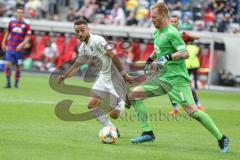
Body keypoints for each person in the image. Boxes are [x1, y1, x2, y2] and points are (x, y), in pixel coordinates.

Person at [127, 2, 229, 153]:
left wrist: (167, 57)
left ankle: (222, 138)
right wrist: (150, 59)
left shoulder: (172, 32)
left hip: (177, 80)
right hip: (163, 77)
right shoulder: (156, 32)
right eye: (150, 16)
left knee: (192, 112)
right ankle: (147, 132)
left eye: (154, 17)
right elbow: (158, 49)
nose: (151, 19)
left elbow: (185, 53)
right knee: (134, 95)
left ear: (163, 16)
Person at [57, 18, 133, 135]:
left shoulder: (97, 40)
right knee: (91, 105)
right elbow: (77, 66)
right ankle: (112, 129)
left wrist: (124, 74)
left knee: (114, 115)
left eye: (82, 30)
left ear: (88, 29)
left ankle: (122, 100)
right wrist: (64, 76)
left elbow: (113, 56)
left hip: (114, 77)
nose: (80, 34)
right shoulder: (83, 48)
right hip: (103, 77)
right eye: (77, 31)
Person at [168, 15, 204, 115]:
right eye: (171, 21)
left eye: (175, 22)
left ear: (178, 23)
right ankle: (175, 109)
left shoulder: (182, 35)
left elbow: (197, 37)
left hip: (180, 67)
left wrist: (185, 33)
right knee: (169, 87)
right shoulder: (165, 33)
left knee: (188, 87)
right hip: (169, 66)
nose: (173, 23)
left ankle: (198, 105)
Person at [1, 6, 31, 88]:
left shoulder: (26, 25)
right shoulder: (11, 23)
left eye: (21, 12)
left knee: (18, 66)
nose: (20, 14)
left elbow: (28, 37)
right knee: (7, 64)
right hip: (10, 46)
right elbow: (7, 33)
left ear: (23, 14)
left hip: (19, 49)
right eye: (18, 12)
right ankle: (8, 83)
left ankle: (16, 83)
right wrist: (3, 43)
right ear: (16, 13)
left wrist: (22, 44)